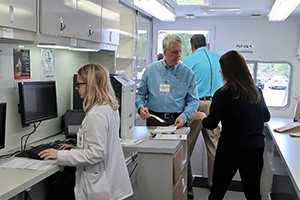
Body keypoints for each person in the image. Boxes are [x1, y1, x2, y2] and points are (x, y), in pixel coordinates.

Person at [39, 64, 133, 200]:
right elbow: (101, 144)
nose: (77, 88)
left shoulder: (96, 114)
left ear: (90, 85)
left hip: (101, 187)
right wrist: (78, 149)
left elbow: (96, 154)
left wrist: (59, 155)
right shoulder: (109, 107)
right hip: (110, 181)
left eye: (79, 84)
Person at [193, 50, 270, 200]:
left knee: (218, 191)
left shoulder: (222, 94)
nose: (220, 71)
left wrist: (202, 116)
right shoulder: (256, 92)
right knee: (253, 192)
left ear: (228, 71)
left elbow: (211, 123)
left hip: (230, 148)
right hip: (255, 148)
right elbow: (266, 117)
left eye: (222, 68)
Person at [135, 34, 199, 199]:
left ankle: (186, 193)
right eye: (173, 52)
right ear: (164, 52)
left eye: (179, 52)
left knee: (180, 159)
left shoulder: (188, 73)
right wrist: (140, 107)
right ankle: (154, 192)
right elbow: (140, 94)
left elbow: (193, 102)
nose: (178, 56)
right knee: (153, 157)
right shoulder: (151, 70)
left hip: (177, 121)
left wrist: (184, 117)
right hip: (154, 119)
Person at [183, 34, 223, 187]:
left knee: (186, 144)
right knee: (214, 145)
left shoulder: (189, 60)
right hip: (214, 104)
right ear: (206, 44)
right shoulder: (218, 58)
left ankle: (184, 183)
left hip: (196, 105)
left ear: (192, 46)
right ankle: (214, 183)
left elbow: (182, 85)